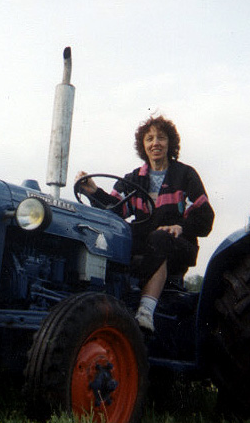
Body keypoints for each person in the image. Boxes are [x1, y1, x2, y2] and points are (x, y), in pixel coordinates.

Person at [76, 115, 214, 332]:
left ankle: (145, 311)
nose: (155, 143)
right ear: (143, 145)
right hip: (144, 242)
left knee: (160, 238)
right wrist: (94, 192)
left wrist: (181, 227)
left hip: (178, 244)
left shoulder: (185, 175)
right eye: (149, 139)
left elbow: (205, 218)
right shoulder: (133, 178)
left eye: (161, 137)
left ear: (170, 143)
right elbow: (116, 210)